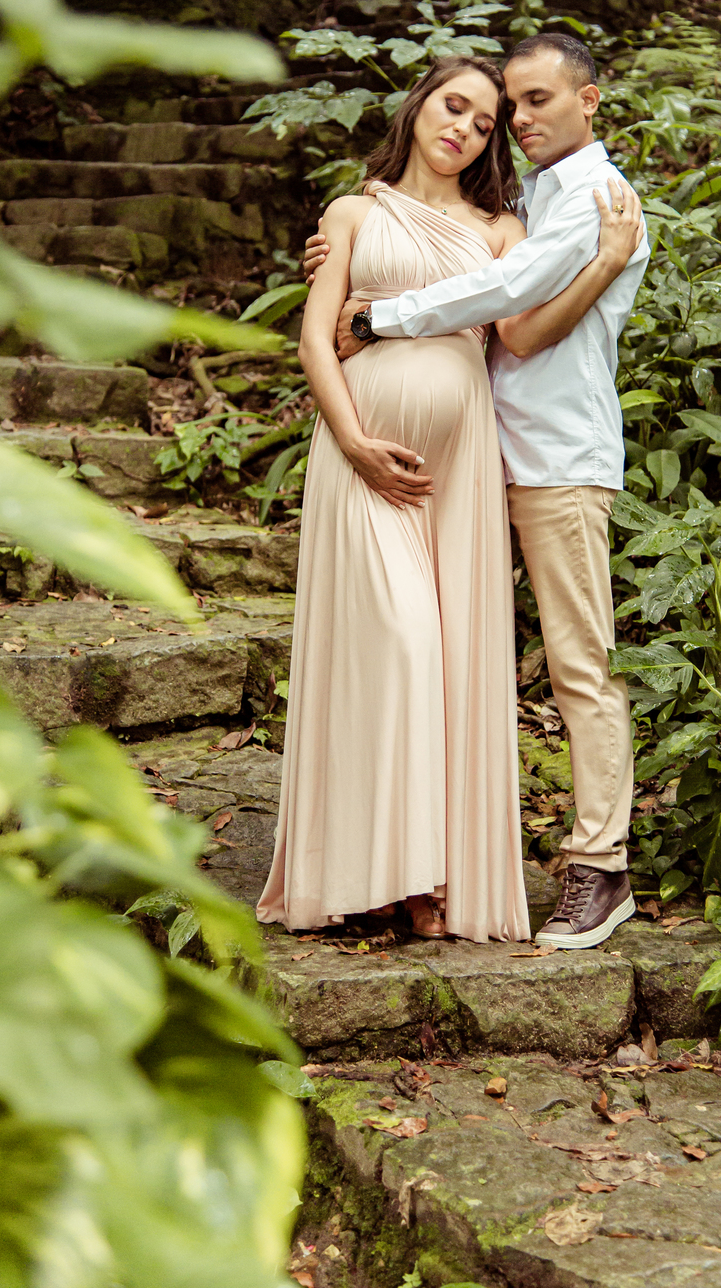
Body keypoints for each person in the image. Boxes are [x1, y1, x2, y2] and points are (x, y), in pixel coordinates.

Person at [257, 53, 643, 944]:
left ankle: (545, 869)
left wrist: (610, 259)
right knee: (399, 645)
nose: (473, 127)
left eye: (490, 116)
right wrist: (353, 439)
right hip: (389, 459)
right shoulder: (364, 210)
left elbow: (516, 315)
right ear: (418, 106)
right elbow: (316, 338)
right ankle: (377, 867)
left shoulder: (552, 214)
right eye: (462, 107)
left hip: (505, 464)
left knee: (499, 662)